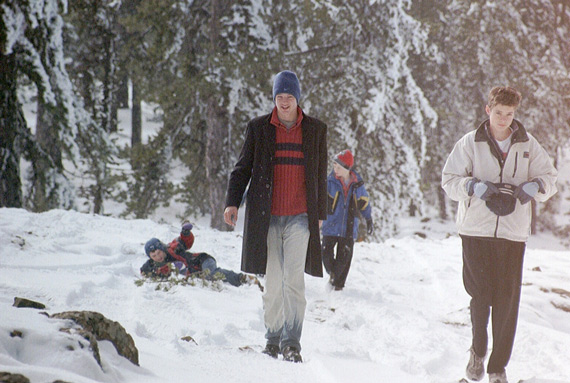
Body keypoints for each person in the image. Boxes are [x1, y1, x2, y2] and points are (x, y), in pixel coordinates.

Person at [441, 86, 558, 383]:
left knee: (507, 301)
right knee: (480, 296)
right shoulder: (470, 143)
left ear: (515, 114)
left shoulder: (528, 144)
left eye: (509, 114)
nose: (504, 119)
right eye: (499, 113)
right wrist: (472, 187)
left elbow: (550, 179)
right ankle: (478, 350)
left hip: (512, 233)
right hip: (475, 230)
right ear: (487, 110)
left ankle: (497, 368)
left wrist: (537, 187)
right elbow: (449, 180)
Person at [223, 70, 327, 363]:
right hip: (266, 218)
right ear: (274, 98)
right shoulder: (259, 128)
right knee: (273, 281)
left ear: (297, 98)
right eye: (279, 97)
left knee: (293, 279)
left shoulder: (316, 130)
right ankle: (272, 337)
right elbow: (242, 168)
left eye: (289, 96)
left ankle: (291, 341)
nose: (284, 102)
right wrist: (232, 203)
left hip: (299, 218)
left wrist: (320, 214)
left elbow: (319, 173)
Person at [140, 223, 263, 291]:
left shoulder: (173, 248)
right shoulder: (154, 264)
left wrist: (185, 233)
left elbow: (185, 242)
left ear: (162, 248)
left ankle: (242, 279)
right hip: (195, 273)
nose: (158, 257)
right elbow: (145, 270)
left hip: (202, 261)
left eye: (158, 252)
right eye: (154, 256)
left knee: (211, 273)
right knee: (207, 277)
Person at [321, 149, 373, 291]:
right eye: (334, 166)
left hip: (349, 227)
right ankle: (333, 274)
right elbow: (319, 201)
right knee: (325, 254)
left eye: (338, 167)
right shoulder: (329, 182)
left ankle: (338, 285)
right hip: (330, 225)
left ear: (346, 168)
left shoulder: (357, 184)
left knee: (344, 258)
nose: (335, 169)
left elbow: (364, 202)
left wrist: (368, 218)